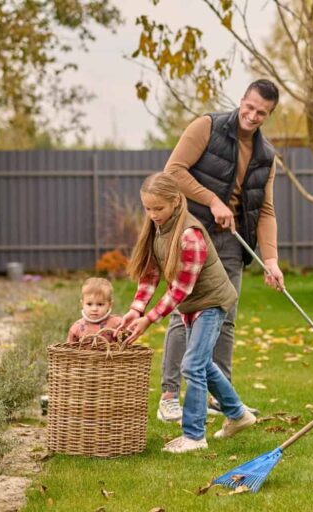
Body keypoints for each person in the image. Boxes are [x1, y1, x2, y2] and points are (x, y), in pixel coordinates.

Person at [156, 79, 284, 423]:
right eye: (250, 107)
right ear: (242, 100)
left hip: (231, 241)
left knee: (225, 318)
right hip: (193, 234)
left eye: (262, 113)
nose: (253, 115)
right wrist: (212, 200)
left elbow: (266, 209)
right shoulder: (206, 127)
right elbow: (173, 172)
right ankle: (170, 395)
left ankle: (221, 397)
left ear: (269, 114)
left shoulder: (266, 156)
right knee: (186, 312)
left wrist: (271, 260)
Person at [118, 172, 256, 452]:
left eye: (159, 208)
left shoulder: (189, 235)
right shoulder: (159, 230)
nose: (153, 214)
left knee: (192, 365)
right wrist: (136, 309)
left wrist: (149, 320)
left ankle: (194, 436)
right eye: (147, 208)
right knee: (202, 364)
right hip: (193, 305)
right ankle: (238, 414)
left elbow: (180, 290)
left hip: (211, 303)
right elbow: (150, 273)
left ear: (176, 201)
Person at [66, 277, 123, 343]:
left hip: (111, 353)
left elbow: (126, 344)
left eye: (100, 304)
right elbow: (69, 348)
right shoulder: (77, 327)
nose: (94, 309)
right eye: (89, 304)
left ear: (109, 305)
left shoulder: (117, 323)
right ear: (82, 304)